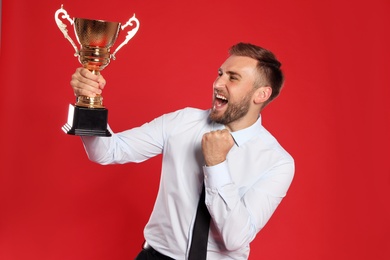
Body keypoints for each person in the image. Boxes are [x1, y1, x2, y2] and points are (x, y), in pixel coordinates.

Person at [70, 42, 294, 259]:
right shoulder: (182, 121)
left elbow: (235, 238)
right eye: (220, 73)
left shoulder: (277, 162)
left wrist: (216, 165)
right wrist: (89, 101)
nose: (217, 83)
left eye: (233, 78)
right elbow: (108, 151)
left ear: (261, 95)